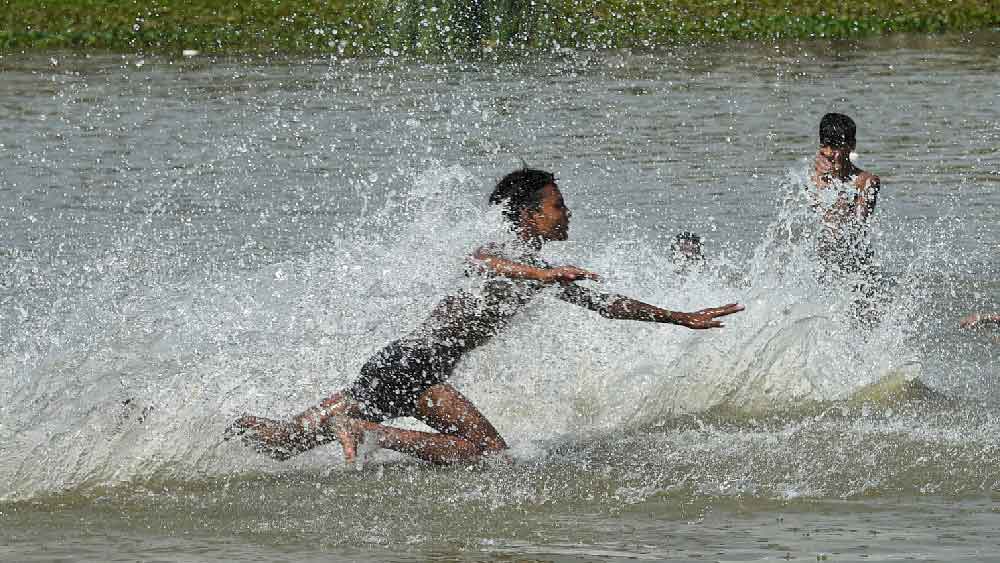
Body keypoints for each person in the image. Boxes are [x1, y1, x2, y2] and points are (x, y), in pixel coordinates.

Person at [226, 168, 744, 465]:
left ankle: (207, 428)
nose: (567, 214)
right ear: (530, 216)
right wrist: (542, 277)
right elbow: (480, 261)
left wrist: (679, 317)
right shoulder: (506, 252)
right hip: (414, 368)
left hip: (395, 364)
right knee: (489, 452)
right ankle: (365, 433)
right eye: (558, 206)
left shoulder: (540, 266)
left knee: (281, 444)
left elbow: (608, 306)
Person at [810, 112, 881, 276]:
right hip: (821, 265)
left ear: (852, 146)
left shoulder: (867, 182)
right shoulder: (812, 180)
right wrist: (819, 180)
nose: (829, 153)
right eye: (825, 146)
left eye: (835, 147)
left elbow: (857, 226)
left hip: (856, 266)